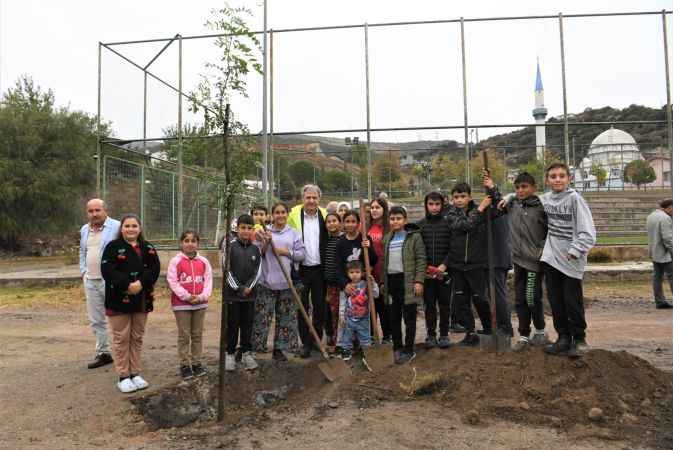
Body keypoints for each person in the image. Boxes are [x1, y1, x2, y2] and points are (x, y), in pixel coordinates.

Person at [538, 162, 596, 358]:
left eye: (562, 176)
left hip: (571, 258)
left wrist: (576, 249)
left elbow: (588, 232)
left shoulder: (575, 200)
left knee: (572, 301)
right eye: (553, 176)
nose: (557, 179)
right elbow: (527, 201)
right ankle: (563, 338)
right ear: (547, 180)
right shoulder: (545, 199)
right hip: (551, 258)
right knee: (556, 301)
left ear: (569, 179)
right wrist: (511, 196)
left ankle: (579, 339)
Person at [101, 214, 160, 393]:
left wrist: (140, 284)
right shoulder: (113, 247)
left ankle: (135, 373)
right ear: (121, 229)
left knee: (136, 337)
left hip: (142, 298)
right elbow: (107, 269)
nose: (131, 229)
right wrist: (127, 285)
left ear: (139, 228)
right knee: (121, 338)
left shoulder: (148, 248)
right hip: (119, 299)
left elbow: (154, 268)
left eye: (134, 226)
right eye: (127, 226)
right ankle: (123, 376)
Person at [494, 172, 549, 352]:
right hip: (518, 260)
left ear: (534, 188)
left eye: (524, 187)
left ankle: (540, 331)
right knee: (519, 299)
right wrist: (493, 187)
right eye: (517, 188)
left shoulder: (542, 207)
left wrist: (541, 250)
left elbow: (551, 230)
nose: (520, 190)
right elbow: (496, 201)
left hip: (534, 261)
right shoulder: (513, 205)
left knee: (532, 297)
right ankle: (524, 335)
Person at [435, 183, 493, 347]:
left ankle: (489, 329)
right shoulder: (451, 215)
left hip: (476, 265)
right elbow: (465, 225)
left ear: (469, 196)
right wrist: (480, 209)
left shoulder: (483, 209)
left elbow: (500, 207)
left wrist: (491, 187)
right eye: (456, 197)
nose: (459, 200)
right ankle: (470, 333)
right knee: (462, 300)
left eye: (462, 196)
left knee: (480, 298)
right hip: (458, 265)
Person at [253, 202, 305, 361]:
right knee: (262, 317)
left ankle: (279, 350)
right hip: (267, 283)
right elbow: (257, 254)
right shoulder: (263, 232)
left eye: (283, 212)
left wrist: (286, 252)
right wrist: (266, 243)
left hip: (287, 283)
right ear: (272, 215)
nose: (280, 215)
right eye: (277, 212)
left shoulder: (294, 233)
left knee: (285, 318)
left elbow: (301, 255)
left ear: (287, 214)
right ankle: (257, 347)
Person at [287, 185, 328, 358]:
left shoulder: (325, 216)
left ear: (319, 199)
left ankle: (317, 340)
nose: (311, 201)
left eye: (314, 198)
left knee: (319, 307)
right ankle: (305, 343)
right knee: (302, 308)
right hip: (301, 270)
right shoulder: (294, 216)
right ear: (302, 199)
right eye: (308, 198)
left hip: (320, 270)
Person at [381, 206, 426, 364]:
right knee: (393, 317)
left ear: (405, 220)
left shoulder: (414, 237)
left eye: (398, 218)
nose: (395, 221)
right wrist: (383, 283)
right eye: (392, 219)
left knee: (409, 318)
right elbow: (384, 263)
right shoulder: (387, 239)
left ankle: (409, 349)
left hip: (407, 282)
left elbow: (421, 259)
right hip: (391, 282)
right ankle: (397, 347)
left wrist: (419, 280)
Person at [79, 199, 120, 369]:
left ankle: (124, 353)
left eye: (98, 210)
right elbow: (83, 251)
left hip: (111, 281)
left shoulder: (118, 227)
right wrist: (83, 271)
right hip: (91, 281)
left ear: (105, 210)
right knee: (96, 320)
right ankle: (103, 353)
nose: (94, 214)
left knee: (119, 318)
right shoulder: (84, 229)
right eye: (91, 211)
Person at [167, 230, 213, 379]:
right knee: (184, 335)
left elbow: (208, 281)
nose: (190, 244)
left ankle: (197, 363)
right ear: (181, 243)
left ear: (198, 244)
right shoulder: (175, 261)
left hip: (200, 304)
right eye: (186, 241)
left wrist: (201, 297)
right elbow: (172, 281)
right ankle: (185, 365)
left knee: (197, 334)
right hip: (182, 305)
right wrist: (187, 296)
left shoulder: (204, 262)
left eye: (193, 241)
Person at [224, 214, 263, 371]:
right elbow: (227, 270)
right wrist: (239, 288)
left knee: (247, 325)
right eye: (242, 228)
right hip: (233, 296)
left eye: (249, 228)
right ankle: (230, 354)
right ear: (237, 228)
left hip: (250, 296)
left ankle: (247, 353)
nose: (246, 231)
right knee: (232, 325)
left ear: (252, 230)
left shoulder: (256, 249)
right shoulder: (230, 246)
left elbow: (258, 271)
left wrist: (249, 288)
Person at [336, 210, 378, 349]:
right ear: (343, 224)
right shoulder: (340, 242)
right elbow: (338, 267)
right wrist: (344, 285)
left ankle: (365, 343)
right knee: (345, 315)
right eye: (347, 221)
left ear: (359, 224)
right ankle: (344, 345)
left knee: (363, 313)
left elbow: (373, 260)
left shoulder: (365, 239)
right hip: (348, 286)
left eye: (353, 221)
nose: (350, 224)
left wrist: (369, 248)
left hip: (362, 286)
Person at [416, 192, 453, 349]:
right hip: (427, 273)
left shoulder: (449, 224)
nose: (434, 207)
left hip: (444, 273)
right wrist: (424, 268)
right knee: (429, 304)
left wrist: (444, 265)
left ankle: (444, 334)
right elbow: (418, 250)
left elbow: (453, 248)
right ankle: (431, 334)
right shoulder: (420, 225)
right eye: (431, 204)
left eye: (437, 204)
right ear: (426, 205)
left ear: (442, 205)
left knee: (444, 304)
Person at [339, 261, 380, 361]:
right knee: (346, 336)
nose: (354, 275)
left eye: (357, 272)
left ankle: (367, 353)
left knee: (365, 337)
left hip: (363, 318)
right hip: (349, 318)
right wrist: (341, 315)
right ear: (348, 274)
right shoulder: (347, 287)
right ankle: (345, 352)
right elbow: (343, 301)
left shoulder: (366, 284)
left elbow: (376, 294)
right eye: (351, 272)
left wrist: (373, 283)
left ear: (362, 273)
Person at [367, 197, 391, 343]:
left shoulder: (388, 227)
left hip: (383, 272)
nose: (374, 210)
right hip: (369, 272)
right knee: (370, 308)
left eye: (378, 207)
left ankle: (387, 336)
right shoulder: (366, 227)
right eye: (372, 207)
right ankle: (371, 336)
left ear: (384, 209)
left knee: (384, 307)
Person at [646, 199, 673, 309]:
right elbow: (667, 238)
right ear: (670, 207)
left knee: (657, 277)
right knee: (672, 276)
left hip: (654, 252)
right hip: (665, 253)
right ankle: (661, 301)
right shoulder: (665, 218)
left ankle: (659, 301)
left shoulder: (651, 216)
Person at [323, 212, 343, 352]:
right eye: (328, 222)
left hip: (341, 284)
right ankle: (335, 339)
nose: (331, 224)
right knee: (332, 313)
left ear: (340, 223)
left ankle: (340, 342)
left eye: (334, 221)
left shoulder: (343, 240)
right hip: (330, 284)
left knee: (342, 314)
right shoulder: (326, 240)